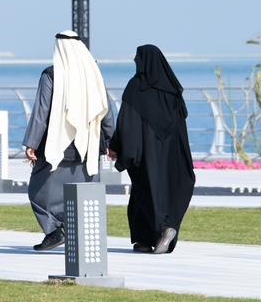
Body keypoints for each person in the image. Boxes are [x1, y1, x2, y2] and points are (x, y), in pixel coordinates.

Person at [22, 30, 114, 251]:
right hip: (89, 146)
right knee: (82, 196)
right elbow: (106, 110)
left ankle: (53, 232)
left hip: (56, 146)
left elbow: (41, 111)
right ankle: (79, 239)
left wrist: (31, 142)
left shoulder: (51, 75)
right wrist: (111, 140)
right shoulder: (93, 73)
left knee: (37, 191)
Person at [108, 44, 195, 254]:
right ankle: (158, 235)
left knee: (144, 192)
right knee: (165, 192)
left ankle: (158, 232)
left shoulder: (136, 87)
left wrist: (117, 147)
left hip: (146, 154)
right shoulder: (172, 91)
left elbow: (126, 123)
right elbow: (181, 128)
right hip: (171, 155)